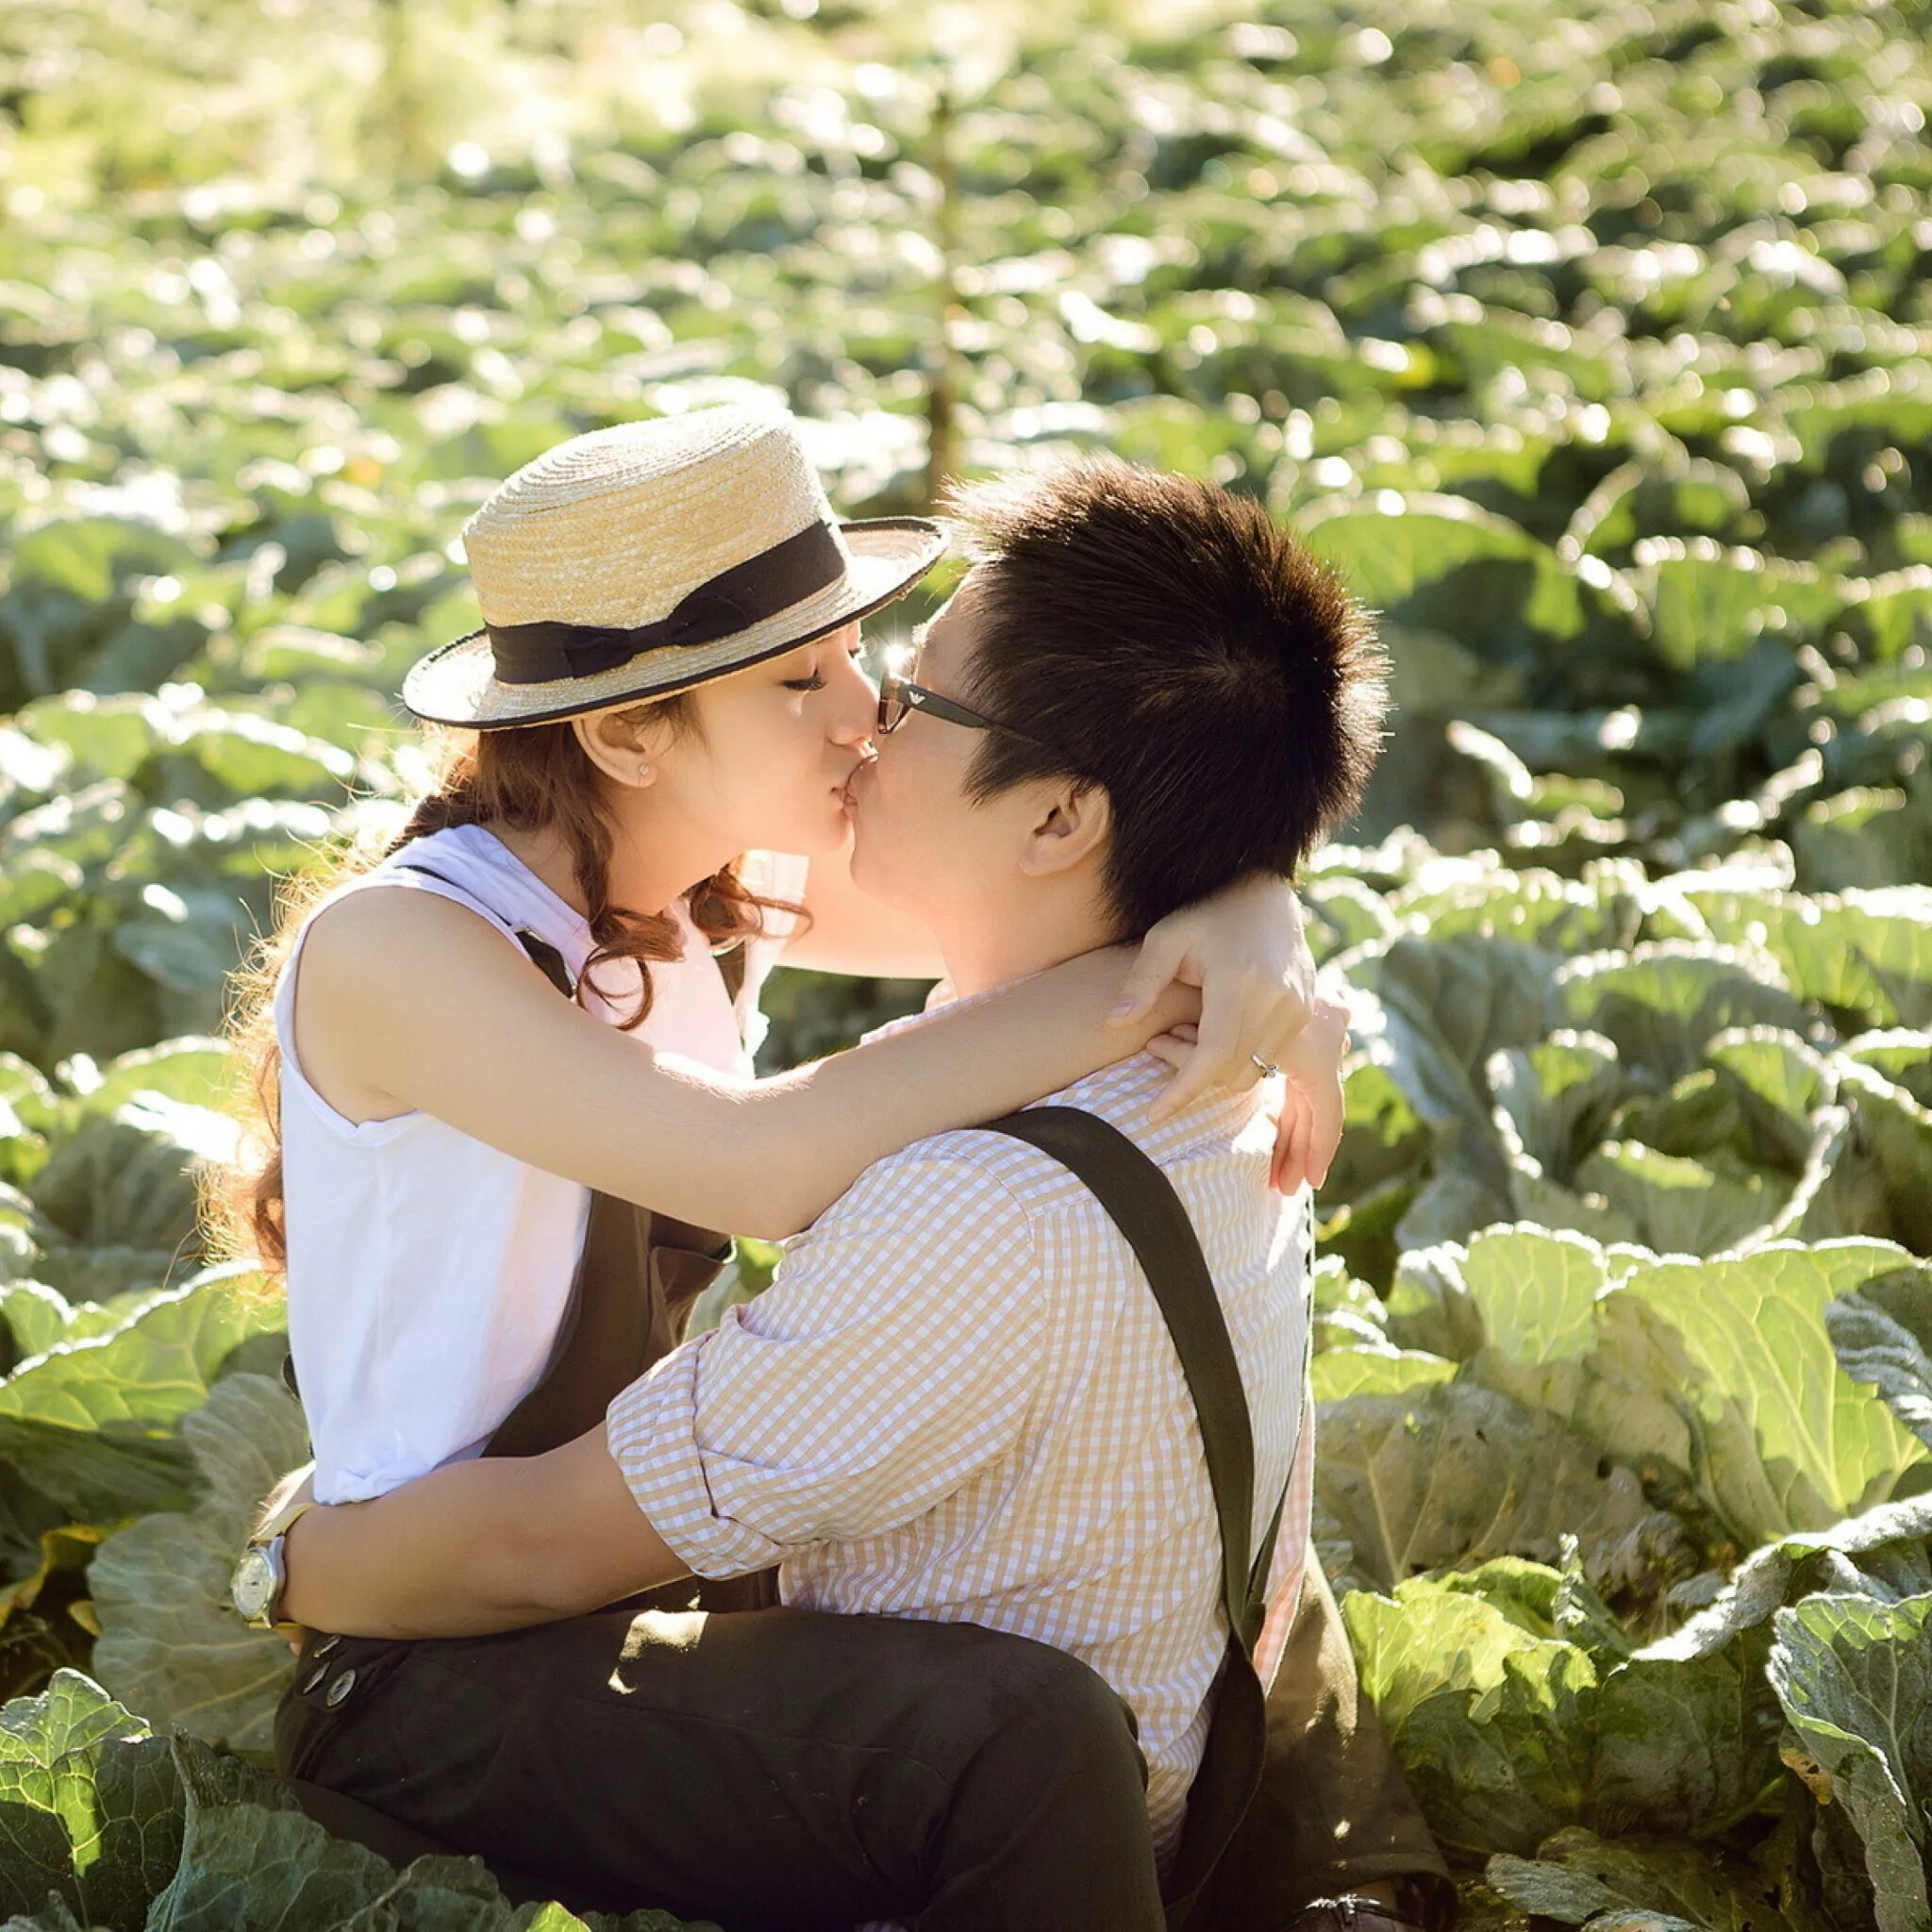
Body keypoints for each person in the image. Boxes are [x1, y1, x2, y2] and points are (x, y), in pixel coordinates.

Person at [265, 454, 1452, 1930]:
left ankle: (1345, 1889)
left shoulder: (704, 882)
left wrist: (1245, 899)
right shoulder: (403, 951)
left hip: (635, 1542)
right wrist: (287, 1559)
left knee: (1197, 1490)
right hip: (436, 1610)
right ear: (635, 732)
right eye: (802, 678)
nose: (867, 709)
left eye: (863, 654)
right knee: (1023, 1740)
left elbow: (1081, 862)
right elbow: (762, 1162)